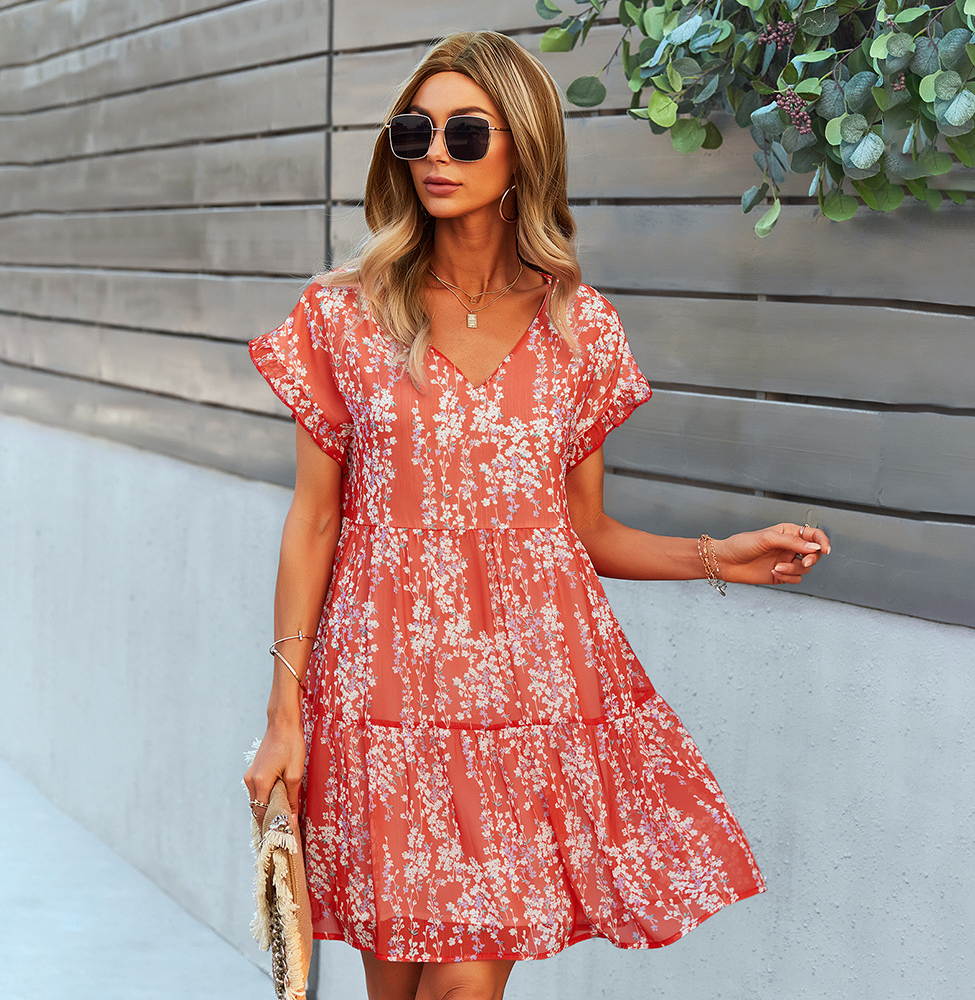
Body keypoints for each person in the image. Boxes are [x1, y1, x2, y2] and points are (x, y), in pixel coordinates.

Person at [243, 30, 831, 1000]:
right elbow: (313, 524)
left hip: (525, 702)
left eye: (466, 133)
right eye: (415, 133)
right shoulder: (344, 316)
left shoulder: (579, 326)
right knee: (395, 989)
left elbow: (584, 532)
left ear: (524, 149)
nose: (435, 154)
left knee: (465, 986)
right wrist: (282, 718)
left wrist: (719, 556)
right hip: (382, 696)